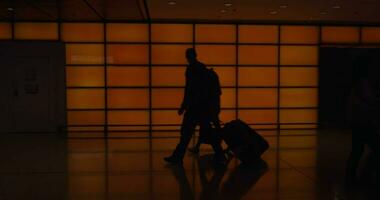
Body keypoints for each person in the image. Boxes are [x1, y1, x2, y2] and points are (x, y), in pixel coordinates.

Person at [164, 48, 226, 165]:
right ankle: (219, 154)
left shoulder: (191, 70)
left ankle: (178, 157)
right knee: (205, 131)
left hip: (194, 107)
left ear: (187, 57)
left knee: (186, 132)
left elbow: (189, 90)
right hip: (204, 107)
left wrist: (183, 106)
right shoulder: (204, 69)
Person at [345, 55, 380, 186]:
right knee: (375, 147)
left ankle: (352, 178)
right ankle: (365, 176)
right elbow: (369, 100)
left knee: (357, 150)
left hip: (358, 121)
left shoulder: (357, 83)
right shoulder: (363, 82)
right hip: (363, 122)